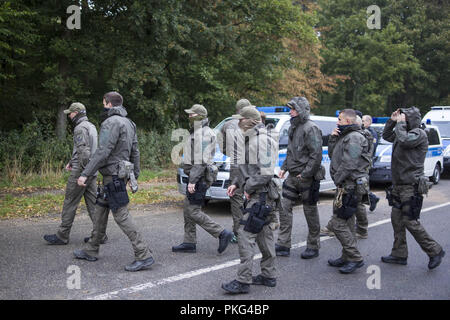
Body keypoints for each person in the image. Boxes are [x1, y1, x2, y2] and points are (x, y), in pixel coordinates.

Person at [73, 91, 155, 272]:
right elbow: (136, 151)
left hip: (112, 176)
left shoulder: (110, 122)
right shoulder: (129, 122)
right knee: (101, 211)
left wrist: (85, 173)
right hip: (119, 175)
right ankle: (92, 249)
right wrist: (135, 174)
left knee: (121, 215)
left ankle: (144, 254)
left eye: (103, 102)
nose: (102, 105)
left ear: (108, 103)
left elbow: (103, 151)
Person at [222, 106, 280, 294]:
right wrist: (237, 184)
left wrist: (247, 188)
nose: (238, 122)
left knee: (245, 235)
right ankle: (269, 275)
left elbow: (265, 173)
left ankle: (243, 281)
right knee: (264, 235)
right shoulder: (252, 139)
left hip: (260, 197)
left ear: (252, 121)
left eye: (241, 119)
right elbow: (249, 168)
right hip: (261, 196)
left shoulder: (262, 140)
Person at [381, 107, 445, 269]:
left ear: (411, 120)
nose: (402, 120)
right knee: (397, 219)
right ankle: (399, 253)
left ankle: (434, 250)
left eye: (404, 118)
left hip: (411, 185)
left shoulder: (418, 134)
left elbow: (404, 140)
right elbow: (387, 136)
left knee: (410, 221)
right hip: (399, 185)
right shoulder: (403, 132)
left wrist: (401, 124)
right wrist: (392, 121)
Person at [172, 104, 233, 254]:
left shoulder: (204, 134)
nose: (189, 117)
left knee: (193, 211)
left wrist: (192, 181)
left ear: (199, 116)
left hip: (198, 178)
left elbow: (201, 161)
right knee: (188, 209)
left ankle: (221, 233)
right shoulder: (197, 132)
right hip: (195, 176)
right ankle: (189, 242)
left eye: (191, 115)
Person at [44, 103, 105, 245]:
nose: (69, 115)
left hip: (82, 171)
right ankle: (100, 234)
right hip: (92, 169)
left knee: (70, 202)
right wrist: (72, 161)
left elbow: (84, 152)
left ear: (76, 112)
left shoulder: (79, 128)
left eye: (70, 113)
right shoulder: (91, 126)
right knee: (93, 204)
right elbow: (88, 149)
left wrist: (84, 172)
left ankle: (62, 235)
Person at [275, 97, 324, 259]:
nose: (290, 112)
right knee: (284, 208)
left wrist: (305, 174)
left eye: (293, 109)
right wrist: (283, 168)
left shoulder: (311, 128)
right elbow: (291, 151)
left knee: (310, 211)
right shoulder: (293, 127)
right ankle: (283, 243)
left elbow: (316, 155)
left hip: (307, 178)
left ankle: (313, 245)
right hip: (292, 177)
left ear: (301, 111)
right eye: (290, 109)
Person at [327, 109, 371, 274]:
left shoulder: (354, 137)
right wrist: (333, 137)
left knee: (338, 224)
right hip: (345, 185)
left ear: (347, 121)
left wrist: (337, 179)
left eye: (339, 119)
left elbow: (350, 163)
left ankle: (355, 257)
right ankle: (346, 256)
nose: (337, 122)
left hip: (350, 186)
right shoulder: (344, 136)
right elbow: (333, 155)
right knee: (348, 223)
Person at [219, 99, 252, 244]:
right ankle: (253, 229)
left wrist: (230, 153)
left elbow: (222, 146)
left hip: (236, 165)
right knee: (253, 196)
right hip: (252, 164)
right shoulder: (254, 123)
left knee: (236, 199)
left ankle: (238, 232)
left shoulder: (227, 125)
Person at [362, 114, 380, 212]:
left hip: (366, 162)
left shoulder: (371, 133)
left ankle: (372, 198)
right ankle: (372, 198)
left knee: (362, 183)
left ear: (369, 122)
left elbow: (370, 149)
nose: (362, 122)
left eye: (364, 121)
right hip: (365, 162)